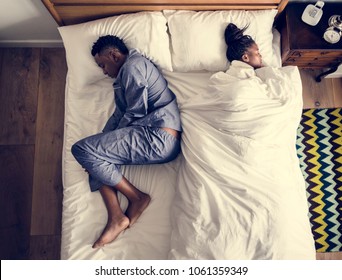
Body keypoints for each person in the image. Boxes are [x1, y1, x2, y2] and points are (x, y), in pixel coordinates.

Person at [71, 35, 182, 249]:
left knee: (83, 150)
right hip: (153, 136)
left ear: (114, 55)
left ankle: (137, 198)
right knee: (91, 155)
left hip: (157, 135)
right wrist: (100, 142)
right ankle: (116, 216)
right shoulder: (124, 77)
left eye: (103, 64)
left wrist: (96, 148)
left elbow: (135, 112)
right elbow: (119, 115)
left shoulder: (133, 67)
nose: (103, 71)